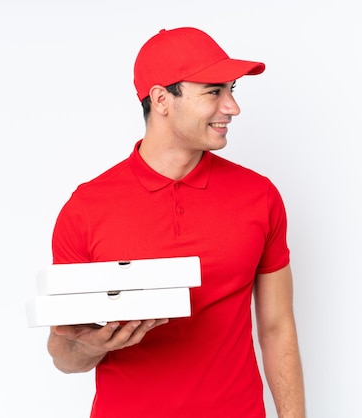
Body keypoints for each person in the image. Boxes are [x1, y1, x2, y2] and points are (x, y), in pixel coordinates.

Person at [46, 27, 305, 418]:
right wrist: (95, 345)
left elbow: (277, 327)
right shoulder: (86, 208)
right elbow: (64, 355)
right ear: (162, 99)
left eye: (232, 90)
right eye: (214, 92)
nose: (232, 107)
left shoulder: (259, 196)